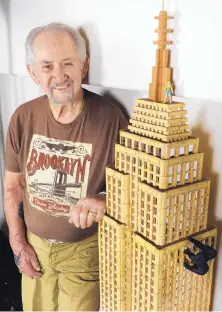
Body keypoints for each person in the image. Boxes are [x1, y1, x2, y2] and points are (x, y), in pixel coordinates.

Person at [3, 22, 128, 311]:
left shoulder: (111, 119)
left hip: (84, 253)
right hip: (34, 247)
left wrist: (104, 199)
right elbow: (12, 186)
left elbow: (131, 187)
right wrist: (18, 242)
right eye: (47, 66)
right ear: (33, 73)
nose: (59, 76)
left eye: (67, 63)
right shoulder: (22, 117)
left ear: (84, 66)